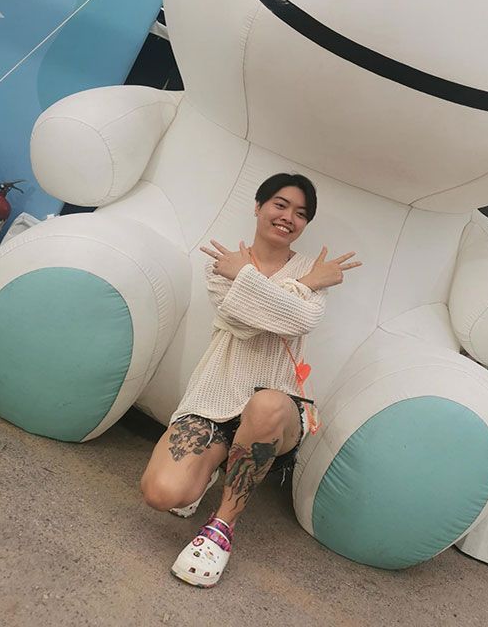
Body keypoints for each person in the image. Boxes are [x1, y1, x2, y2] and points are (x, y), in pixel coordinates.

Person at [140, 172, 361, 587]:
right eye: (280, 204)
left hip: (278, 412)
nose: (289, 217)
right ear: (258, 206)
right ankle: (207, 471)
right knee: (161, 493)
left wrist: (249, 282)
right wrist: (305, 285)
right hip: (215, 402)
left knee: (267, 403)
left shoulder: (287, 267)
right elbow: (239, 320)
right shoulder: (225, 263)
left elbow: (301, 319)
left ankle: (221, 527)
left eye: (301, 213)